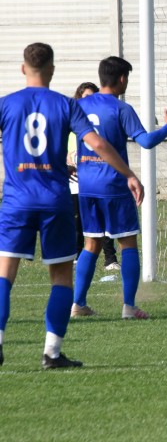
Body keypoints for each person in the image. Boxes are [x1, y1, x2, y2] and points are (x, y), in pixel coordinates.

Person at [0, 43, 144, 369]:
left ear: (24, 69)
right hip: (55, 202)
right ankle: (52, 353)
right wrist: (128, 173)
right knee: (61, 277)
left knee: (4, 277)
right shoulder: (66, 105)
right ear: (52, 70)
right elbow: (97, 143)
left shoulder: (6, 104)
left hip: (16, 201)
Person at [71, 56, 167, 320]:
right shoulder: (121, 109)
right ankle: (129, 307)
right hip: (114, 184)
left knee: (91, 244)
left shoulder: (78, 106)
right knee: (128, 243)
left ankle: (78, 303)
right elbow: (145, 141)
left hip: (86, 187)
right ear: (122, 79)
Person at [68, 82, 98, 262]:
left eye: (93, 97)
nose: (89, 101)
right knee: (77, 219)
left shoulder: (97, 124)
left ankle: (110, 259)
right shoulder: (71, 123)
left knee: (100, 218)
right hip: (75, 179)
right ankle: (76, 255)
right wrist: (67, 160)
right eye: (85, 97)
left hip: (94, 178)